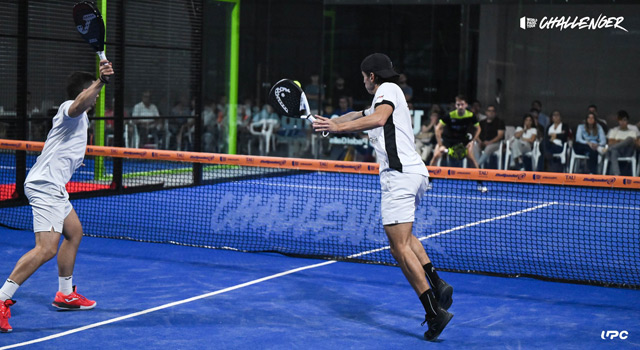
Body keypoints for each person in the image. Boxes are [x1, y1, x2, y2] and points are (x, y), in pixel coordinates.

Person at [312, 53, 453, 342]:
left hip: (399, 177)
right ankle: (437, 283)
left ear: (371, 77)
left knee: (397, 247)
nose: (363, 80)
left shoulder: (387, 91)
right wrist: (332, 121)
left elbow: (377, 118)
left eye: (364, 76)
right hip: (414, 174)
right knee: (406, 237)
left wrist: (337, 128)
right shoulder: (386, 95)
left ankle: (434, 312)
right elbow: (361, 115)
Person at [0, 60, 114, 333]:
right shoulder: (69, 109)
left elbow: (64, 147)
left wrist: (74, 161)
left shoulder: (82, 120)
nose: (97, 97)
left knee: (74, 232)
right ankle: (2, 299)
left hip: (55, 186)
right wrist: (101, 81)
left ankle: (65, 294)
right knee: (46, 248)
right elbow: (77, 105)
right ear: (83, 92)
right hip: (45, 185)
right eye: (93, 92)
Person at [430, 95, 481, 168]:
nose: (460, 107)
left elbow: (478, 129)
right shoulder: (450, 115)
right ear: (455, 105)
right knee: (436, 156)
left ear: (466, 105)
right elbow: (437, 128)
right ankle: (429, 176)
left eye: (462, 104)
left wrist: (472, 141)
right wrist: (440, 145)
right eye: (458, 104)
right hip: (448, 141)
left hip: (462, 142)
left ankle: (479, 178)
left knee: (471, 158)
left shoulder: (471, 115)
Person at [604, 110, 638, 175]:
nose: (622, 122)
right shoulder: (614, 130)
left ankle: (608, 150)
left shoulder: (632, 132)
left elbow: (636, 144)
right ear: (618, 121)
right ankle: (617, 176)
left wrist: (619, 141)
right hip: (617, 151)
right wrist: (621, 142)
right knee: (614, 151)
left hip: (627, 151)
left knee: (630, 139)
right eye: (620, 120)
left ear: (627, 121)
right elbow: (610, 143)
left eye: (624, 120)